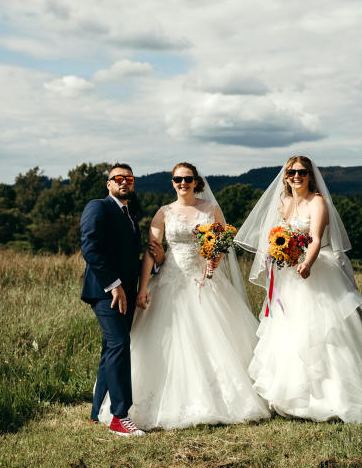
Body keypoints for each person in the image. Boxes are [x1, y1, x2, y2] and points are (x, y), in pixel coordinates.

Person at [99, 162, 270, 429]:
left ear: (196, 182)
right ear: (172, 182)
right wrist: (143, 287)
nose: (183, 183)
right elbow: (151, 251)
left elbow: (222, 241)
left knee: (216, 339)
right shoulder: (164, 213)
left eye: (188, 179)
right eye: (178, 179)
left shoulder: (211, 209)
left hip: (207, 282)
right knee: (164, 343)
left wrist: (216, 259)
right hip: (170, 281)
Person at [236, 155, 362, 424]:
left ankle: (333, 397)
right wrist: (280, 256)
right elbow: (277, 236)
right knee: (290, 333)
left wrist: (307, 263)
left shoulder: (318, 202)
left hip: (318, 271)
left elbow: (315, 239)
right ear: (286, 177)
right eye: (291, 173)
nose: (296, 177)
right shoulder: (285, 203)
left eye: (301, 172)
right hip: (289, 276)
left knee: (325, 335)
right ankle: (294, 398)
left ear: (310, 175)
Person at [79, 162, 145, 436]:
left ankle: (97, 412)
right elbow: (89, 246)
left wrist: (156, 266)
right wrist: (114, 285)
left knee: (111, 348)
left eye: (128, 178)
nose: (123, 182)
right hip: (106, 292)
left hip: (127, 293)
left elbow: (131, 258)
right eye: (117, 178)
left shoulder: (130, 216)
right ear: (108, 184)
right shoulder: (98, 206)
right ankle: (120, 416)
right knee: (119, 344)